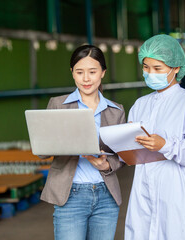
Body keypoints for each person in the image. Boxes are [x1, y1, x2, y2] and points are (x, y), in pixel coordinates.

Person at [124, 34, 185, 239]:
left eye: (157, 69)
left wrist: (165, 144)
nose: (150, 73)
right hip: (144, 189)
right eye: (146, 67)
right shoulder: (140, 105)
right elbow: (131, 152)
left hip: (178, 192)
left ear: (176, 68)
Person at [40, 45, 126, 240]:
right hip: (70, 195)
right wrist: (64, 143)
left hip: (106, 197)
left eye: (92, 72)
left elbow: (122, 156)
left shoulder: (116, 111)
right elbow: (42, 151)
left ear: (103, 73)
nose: (86, 78)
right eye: (79, 72)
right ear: (72, 73)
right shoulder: (57, 105)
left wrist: (106, 165)